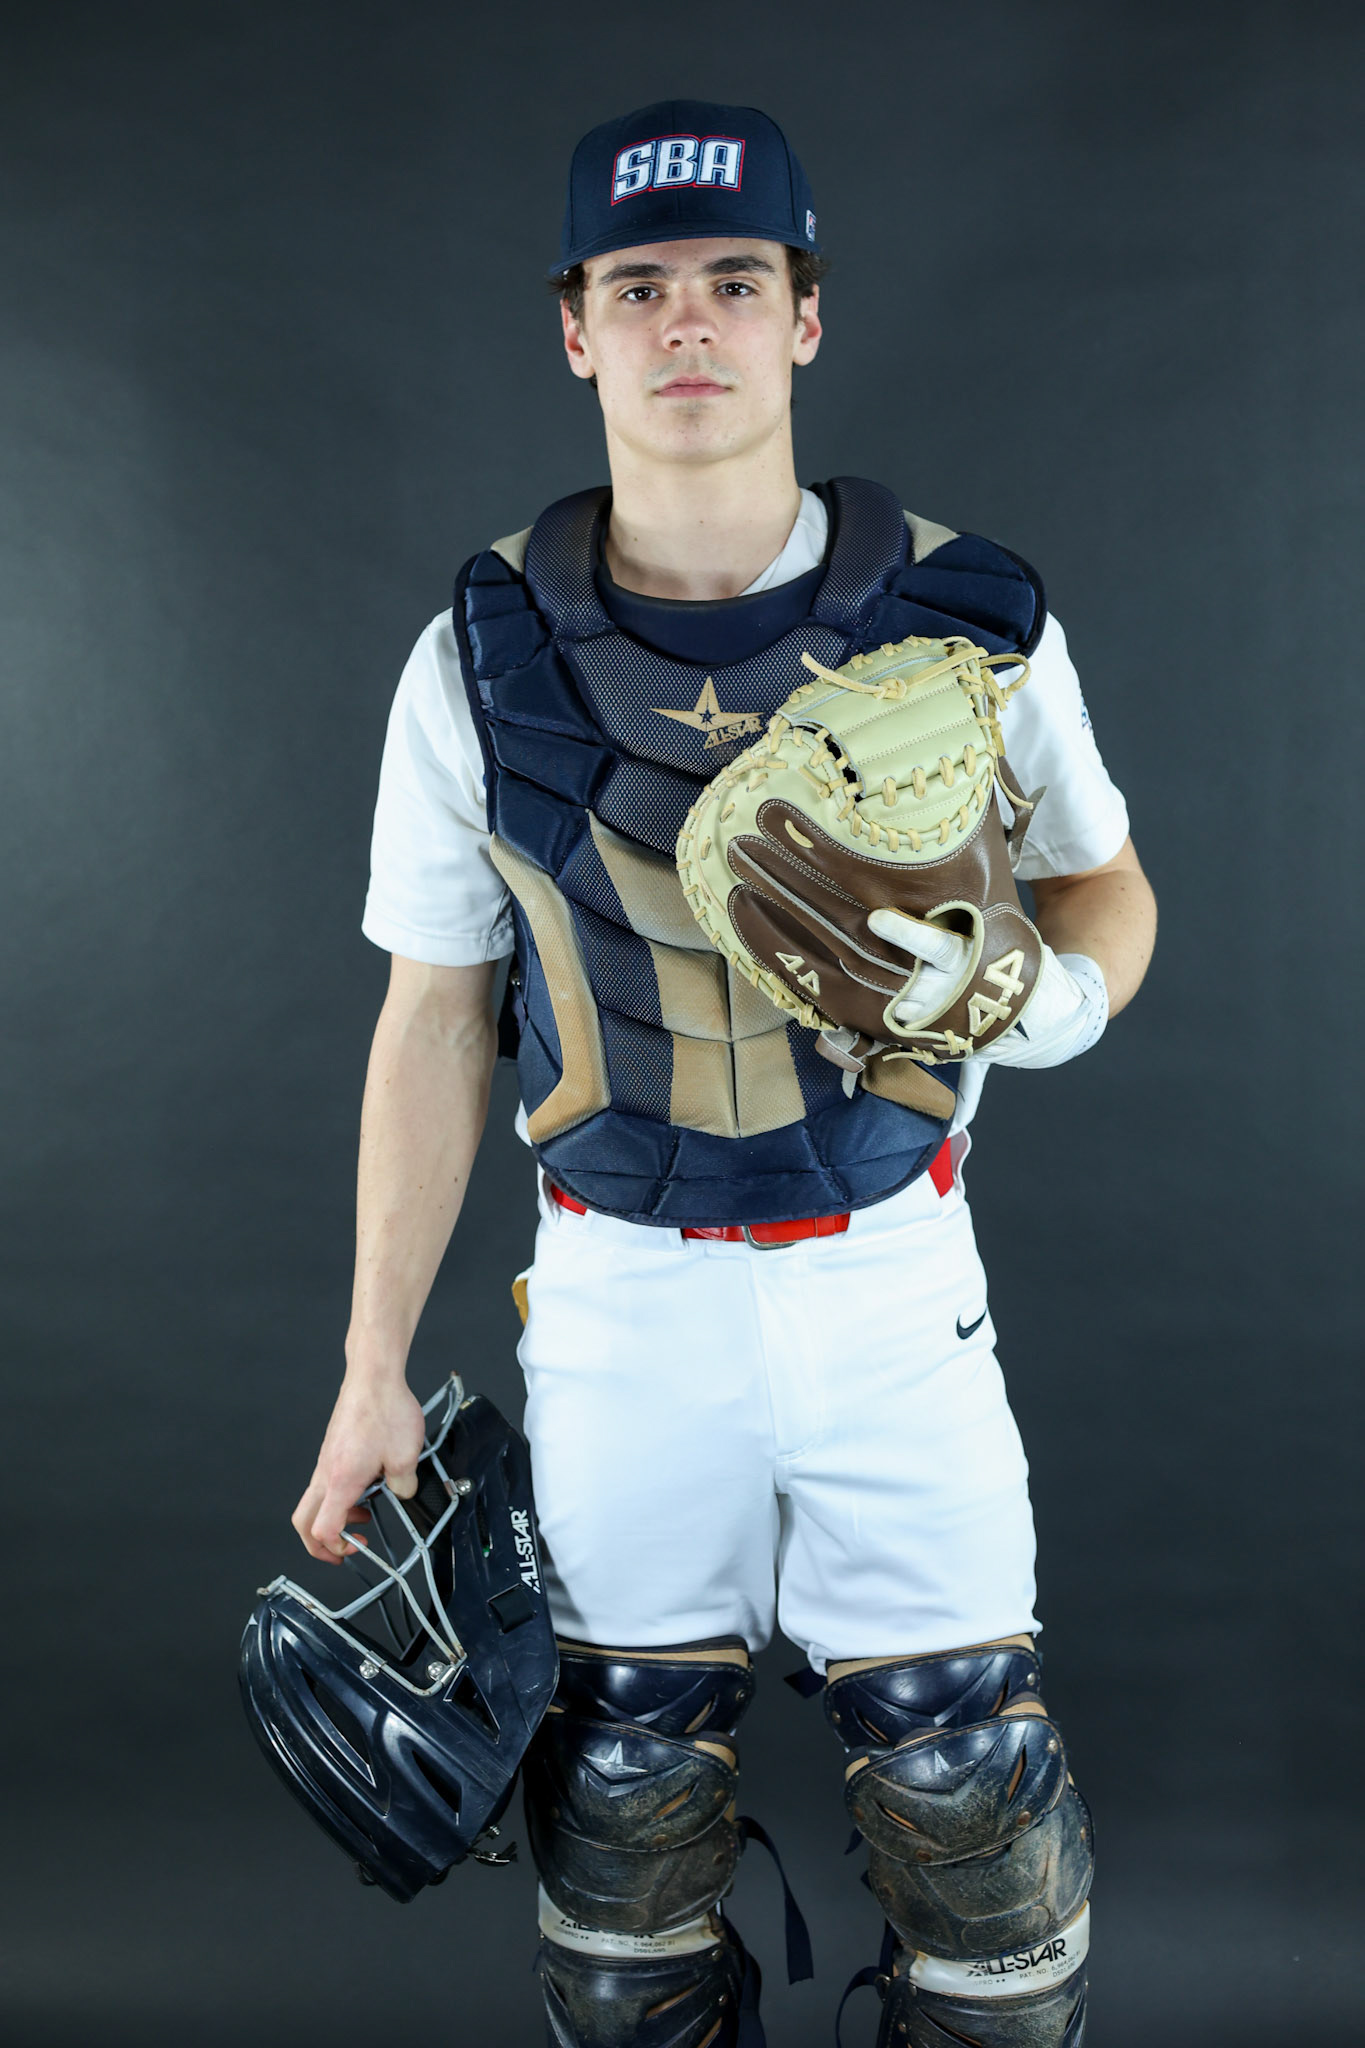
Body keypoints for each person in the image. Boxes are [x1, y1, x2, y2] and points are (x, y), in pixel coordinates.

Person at [289, 100, 1156, 2048]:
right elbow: (433, 1013)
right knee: (617, 1825)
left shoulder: (966, 615)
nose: (690, 321)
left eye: (734, 282)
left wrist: (1047, 1003)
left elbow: (1103, 883)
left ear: (803, 321)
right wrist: (366, 1371)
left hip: (884, 1275)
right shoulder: (478, 655)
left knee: (973, 1820)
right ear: (577, 331)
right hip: (617, 1293)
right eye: (640, 285)